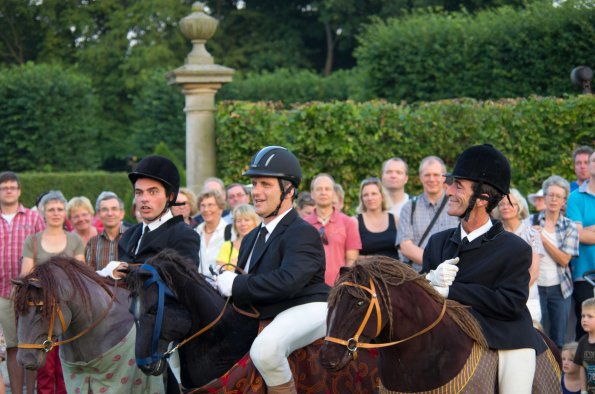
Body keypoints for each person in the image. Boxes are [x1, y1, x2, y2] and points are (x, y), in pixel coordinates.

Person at [422, 144, 546, 393]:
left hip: (506, 336)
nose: (448, 191)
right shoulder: (437, 242)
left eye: (458, 186)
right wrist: (427, 281)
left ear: (482, 198)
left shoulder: (515, 248)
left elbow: (510, 302)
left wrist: (451, 292)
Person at [215, 146, 329, 394]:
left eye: (265, 184)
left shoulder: (303, 232)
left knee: (265, 349)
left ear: (288, 190)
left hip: (308, 306)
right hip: (269, 310)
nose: (256, 192)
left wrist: (236, 285)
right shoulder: (251, 236)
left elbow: (288, 282)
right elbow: (248, 281)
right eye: (254, 184)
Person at [22, 190, 85, 394]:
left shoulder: (75, 240)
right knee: (45, 367)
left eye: (60, 209)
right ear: (43, 213)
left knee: (66, 366)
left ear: (65, 212)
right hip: (42, 312)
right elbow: (26, 275)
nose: (56, 213)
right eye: (51, 209)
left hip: (69, 311)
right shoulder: (32, 241)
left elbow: (80, 276)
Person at [0, 171, 42, 394]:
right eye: (4, 187)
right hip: (2, 292)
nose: (8, 190)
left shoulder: (33, 218)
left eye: (12, 187)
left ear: (19, 191)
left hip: (29, 293)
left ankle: (31, 390)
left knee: (30, 345)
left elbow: (43, 249)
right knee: (13, 346)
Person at [118, 155, 200, 265]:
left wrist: (129, 270)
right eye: (139, 192)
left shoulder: (184, 235)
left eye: (153, 192)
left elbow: (183, 279)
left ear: (170, 196)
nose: (144, 199)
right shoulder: (128, 235)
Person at [533, 175, 579, 348]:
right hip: (535, 288)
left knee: (558, 340)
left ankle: (558, 375)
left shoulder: (569, 226)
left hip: (560, 289)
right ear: (544, 197)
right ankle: (539, 375)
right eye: (550, 195)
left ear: (564, 201)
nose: (553, 199)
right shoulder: (531, 221)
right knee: (537, 336)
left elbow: (564, 259)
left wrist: (542, 239)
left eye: (558, 196)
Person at [492, 188, 544, 324]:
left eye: (510, 204)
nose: (505, 207)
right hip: (498, 297)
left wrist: (516, 294)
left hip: (527, 296)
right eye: (501, 204)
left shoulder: (532, 233)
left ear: (519, 207)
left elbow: (534, 271)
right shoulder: (493, 235)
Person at [397, 156, 459, 272]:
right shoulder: (409, 207)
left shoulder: (456, 205)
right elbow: (405, 247)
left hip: (452, 277)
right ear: (420, 177)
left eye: (436, 175)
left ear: (444, 177)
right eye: (427, 175)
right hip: (418, 278)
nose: (431, 179)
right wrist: (438, 265)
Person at [304, 173, 361, 286]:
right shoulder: (303, 224)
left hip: (339, 287)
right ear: (312, 194)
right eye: (319, 189)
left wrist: (343, 282)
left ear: (334, 193)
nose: (323, 192)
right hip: (309, 288)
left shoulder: (348, 222)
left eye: (327, 189)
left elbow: (352, 259)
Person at [567, 150, 595, 341]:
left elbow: (584, 233)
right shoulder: (575, 197)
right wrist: (583, 232)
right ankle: (588, 371)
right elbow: (576, 235)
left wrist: (589, 230)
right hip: (584, 275)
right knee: (586, 331)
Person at [355, 177, 399, 260]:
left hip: (394, 270)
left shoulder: (395, 219)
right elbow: (351, 257)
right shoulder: (355, 222)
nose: (370, 198)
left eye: (374, 194)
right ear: (362, 199)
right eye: (365, 195)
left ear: (382, 196)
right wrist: (374, 259)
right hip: (367, 270)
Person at [85, 191, 127, 270]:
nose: (110, 213)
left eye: (114, 209)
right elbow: (89, 275)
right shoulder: (93, 243)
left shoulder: (133, 238)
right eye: (104, 209)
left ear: (122, 213)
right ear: (98, 215)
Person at [195, 190, 230, 280]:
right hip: (199, 286)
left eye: (210, 205)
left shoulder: (230, 232)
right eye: (203, 206)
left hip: (222, 287)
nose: (206, 209)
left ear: (220, 208)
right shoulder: (195, 232)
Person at [216, 204, 260, 270]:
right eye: (239, 221)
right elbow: (220, 274)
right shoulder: (227, 246)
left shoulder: (262, 245)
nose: (243, 224)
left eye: (247, 220)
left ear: (255, 222)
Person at [575, 298, 595, 393]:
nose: (584, 319)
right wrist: (583, 390)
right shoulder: (582, 342)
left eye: (590, 316)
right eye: (583, 316)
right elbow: (582, 367)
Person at [381, 157, 409, 222]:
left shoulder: (416, 206)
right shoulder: (372, 205)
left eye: (398, 172)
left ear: (406, 179)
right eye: (389, 172)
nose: (393, 176)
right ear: (382, 176)